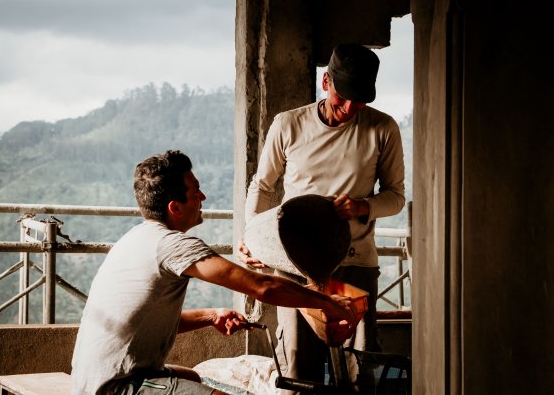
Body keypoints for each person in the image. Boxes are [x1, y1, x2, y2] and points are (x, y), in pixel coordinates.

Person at [70, 150, 360, 395]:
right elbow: (262, 286)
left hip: (90, 380)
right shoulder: (173, 245)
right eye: (195, 192)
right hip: (118, 386)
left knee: (194, 378)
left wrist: (211, 315)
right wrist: (328, 303)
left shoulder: (133, 239)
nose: (203, 196)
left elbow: (145, 322)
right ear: (175, 207)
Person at [239, 43, 405, 392]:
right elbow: (263, 185)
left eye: (359, 103)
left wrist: (362, 207)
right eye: (342, 98)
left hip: (354, 263)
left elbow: (395, 197)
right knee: (299, 365)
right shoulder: (288, 124)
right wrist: (250, 236)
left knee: (360, 367)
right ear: (326, 82)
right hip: (296, 267)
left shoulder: (383, 128)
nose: (349, 109)